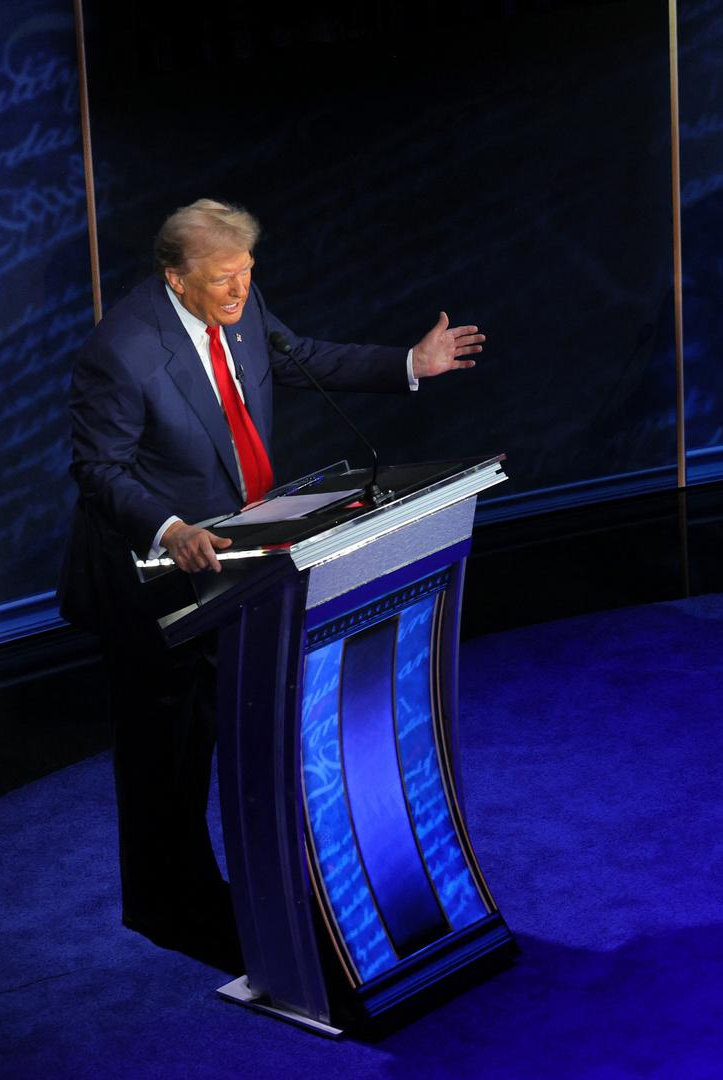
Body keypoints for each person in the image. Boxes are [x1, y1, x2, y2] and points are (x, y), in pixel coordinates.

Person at [57, 199, 486, 969]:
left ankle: (247, 890)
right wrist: (170, 528)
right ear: (174, 279)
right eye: (224, 279)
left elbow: (300, 356)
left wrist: (408, 365)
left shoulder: (243, 301)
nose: (240, 291)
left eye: (248, 274)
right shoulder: (121, 351)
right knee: (167, 753)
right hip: (155, 581)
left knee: (239, 729)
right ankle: (165, 904)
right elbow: (100, 472)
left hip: (241, 567)